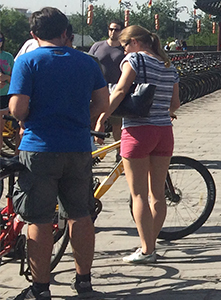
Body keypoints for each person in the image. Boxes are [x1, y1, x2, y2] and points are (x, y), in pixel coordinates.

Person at [8, 7, 109, 299]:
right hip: (78, 147)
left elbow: (17, 109)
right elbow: (103, 103)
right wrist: (80, 119)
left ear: (33, 35)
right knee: (80, 214)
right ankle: (84, 281)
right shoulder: (88, 63)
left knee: (38, 219)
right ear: (66, 33)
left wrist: (29, 118)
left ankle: (40, 288)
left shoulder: (27, 61)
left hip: (39, 147)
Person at [95, 25, 181, 265]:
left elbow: (121, 89)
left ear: (134, 42)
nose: (123, 51)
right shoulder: (168, 65)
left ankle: (146, 250)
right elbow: (175, 103)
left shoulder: (135, 59)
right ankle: (149, 244)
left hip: (137, 130)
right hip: (164, 131)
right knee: (158, 195)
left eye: (124, 45)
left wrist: (103, 117)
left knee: (138, 194)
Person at [88, 20, 127, 141]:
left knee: (117, 123)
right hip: (98, 89)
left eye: (116, 30)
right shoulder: (97, 46)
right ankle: (93, 151)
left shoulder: (124, 49)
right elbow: (89, 62)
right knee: (93, 118)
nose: (113, 32)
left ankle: (119, 153)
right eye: (111, 29)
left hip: (116, 89)